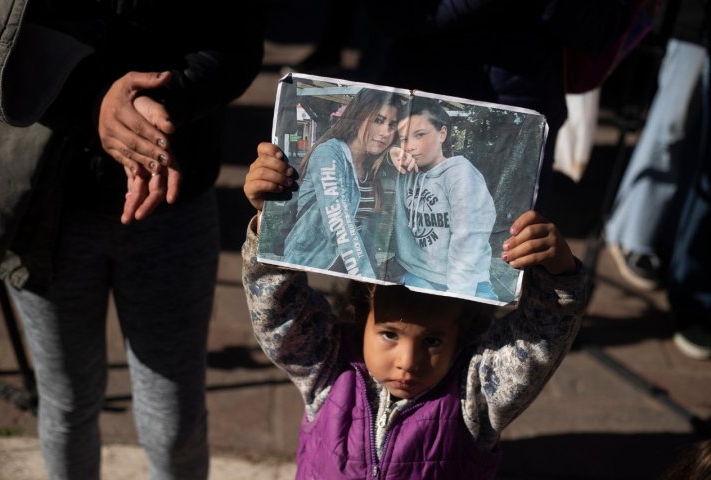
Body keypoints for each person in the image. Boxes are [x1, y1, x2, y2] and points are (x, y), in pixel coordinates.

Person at [0, 1, 264, 479]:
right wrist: (93, 102)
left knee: (173, 419)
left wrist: (155, 112)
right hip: (45, 202)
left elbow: (239, 42)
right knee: (66, 399)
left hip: (174, 197)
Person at [242, 142, 588, 478]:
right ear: (364, 311)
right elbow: (278, 310)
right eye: (389, 334)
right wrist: (272, 222)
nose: (408, 362)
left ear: (463, 331)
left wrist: (558, 275)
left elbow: (537, 340)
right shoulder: (329, 366)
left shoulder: (474, 394)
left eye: (433, 341)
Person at [360, 0, 634, 215]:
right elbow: (390, 11)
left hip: (514, 125)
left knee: (488, 262)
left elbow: (599, 29)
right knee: (382, 262)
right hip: (414, 96)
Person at [603, 0, 710, 359]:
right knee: (673, 125)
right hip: (695, 25)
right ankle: (635, 234)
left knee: (694, 148)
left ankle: (669, 248)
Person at [280, 88, 406, 279]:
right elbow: (339, 225)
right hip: (311, 265)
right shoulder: (329, 153)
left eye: (392, 125)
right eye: (378, 120)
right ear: (359, 116)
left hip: (347, 271)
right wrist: (366, 279)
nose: (385, 132)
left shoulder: (373, 164)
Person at [388, 97, 497, 300]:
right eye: (403, 139)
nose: (410, 146)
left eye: (419, 135)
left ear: (442, 133)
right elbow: (368, 162)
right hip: (415, 275)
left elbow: (468, 242)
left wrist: (455, 297)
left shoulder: (461, 175)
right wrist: (390, 153)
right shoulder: (404, 170)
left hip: (467, 282)